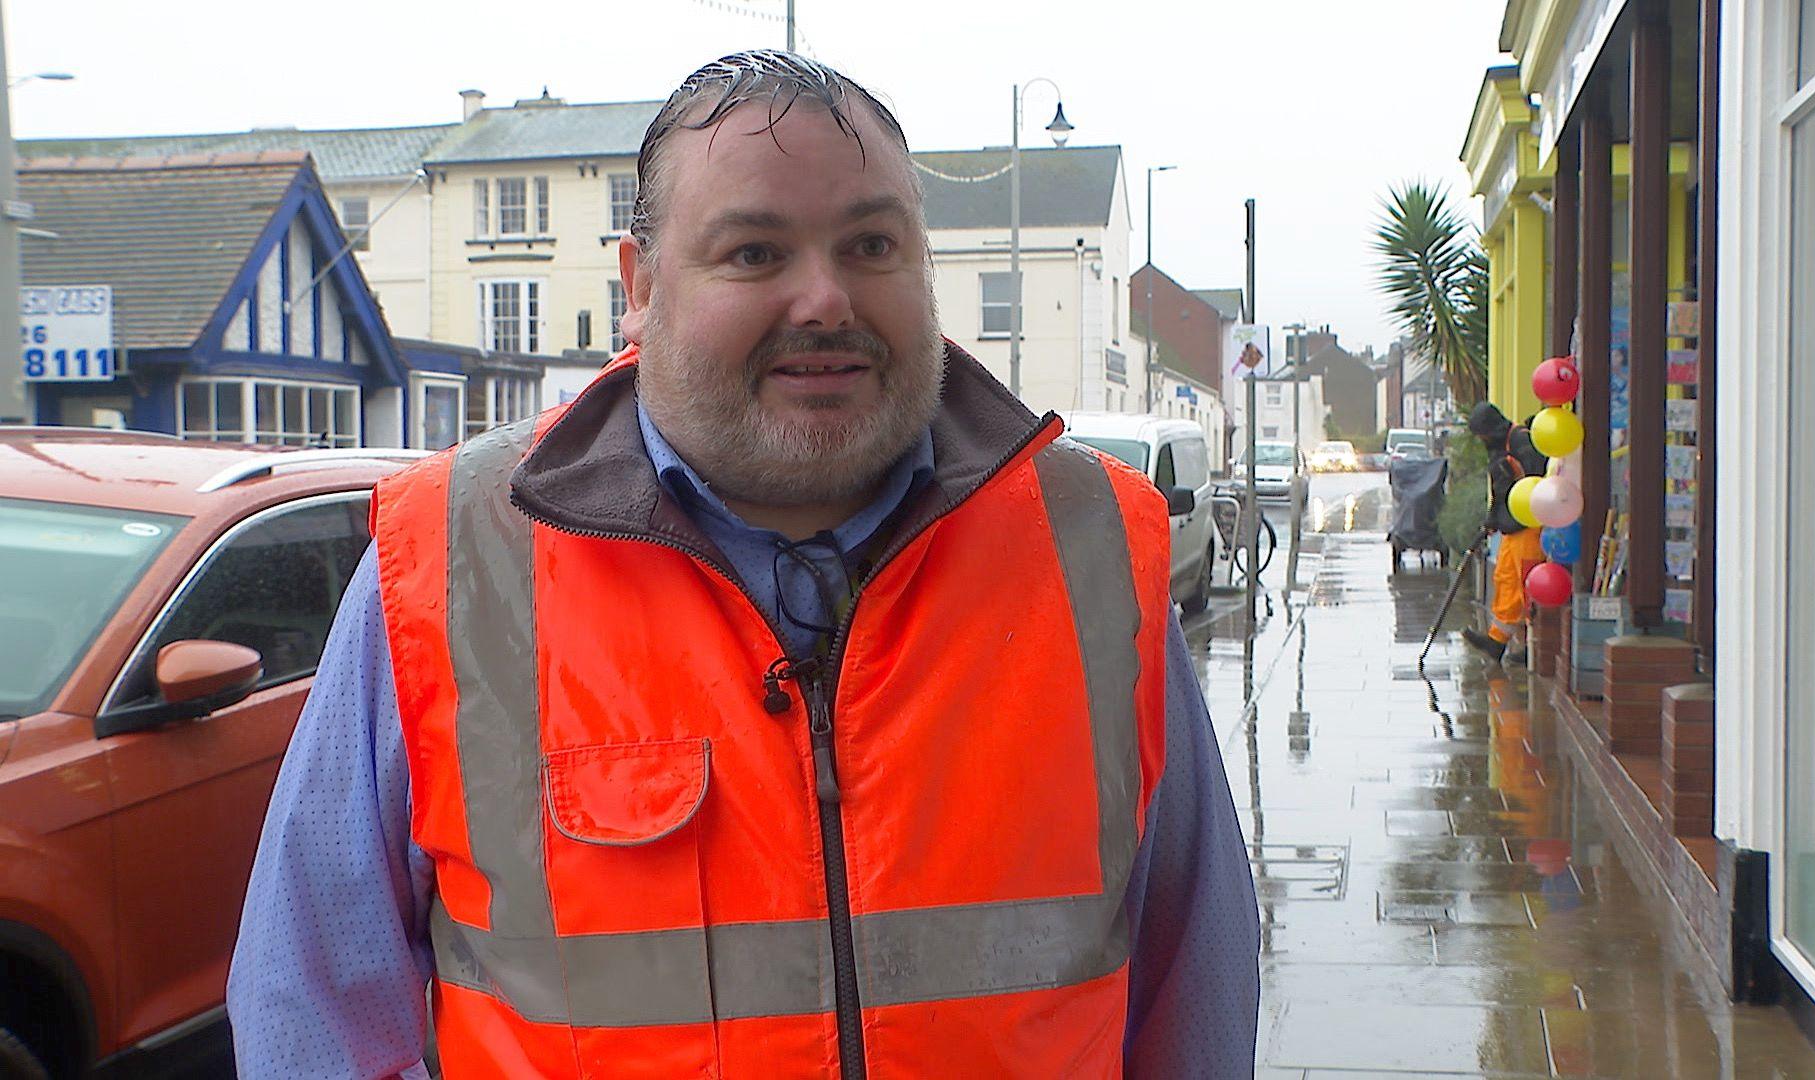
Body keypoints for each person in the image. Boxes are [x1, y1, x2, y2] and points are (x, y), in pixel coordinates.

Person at [226, 51, 1258, 1078]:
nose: (825, 299)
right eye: (756, 253)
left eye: (872, 244)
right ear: (640, 286)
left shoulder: (1086, 548)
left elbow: (1193, 986)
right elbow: (309, 1009)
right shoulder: (454, 563)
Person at [1460, 401, 1548, 666]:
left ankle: (1535, 647)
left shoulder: (1521, 443)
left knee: (1525, 586)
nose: (1482, 440)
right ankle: (1497, 641)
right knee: (1506, 578)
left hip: (1529, 523)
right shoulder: (1500, 446)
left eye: (1482, 435)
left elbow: (1531, 482)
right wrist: (1492, 520)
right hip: (1512, 525)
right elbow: (1501, 490)